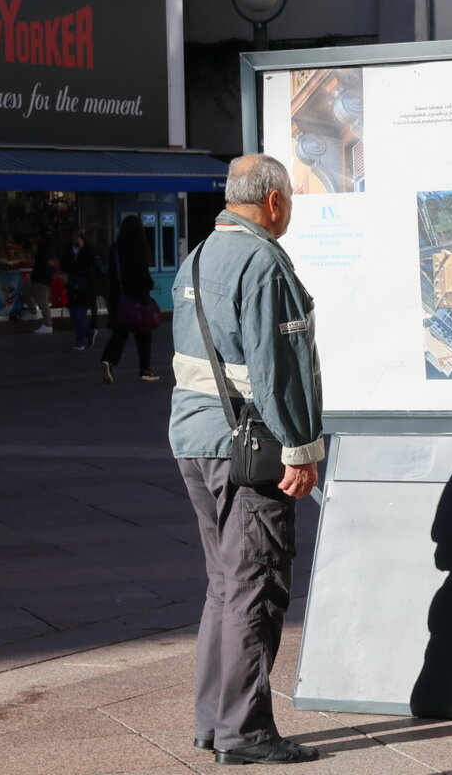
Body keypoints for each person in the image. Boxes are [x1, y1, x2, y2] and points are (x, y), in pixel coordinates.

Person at [168, 154, 323, 766]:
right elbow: (277, 370)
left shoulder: (199, 254)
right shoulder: (263, 261)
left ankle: (214, 723)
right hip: (249, 449)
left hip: (195, 441)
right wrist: (302, 448)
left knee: (224, 587)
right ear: (275, 201)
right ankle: (246, 732)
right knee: (255, 589)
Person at [100, 215, 159, 382]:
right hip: (138, 297)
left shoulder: (115, 248)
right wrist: (149, 285)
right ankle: (145, 369)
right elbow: (143, 274)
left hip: (120, 298)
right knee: (144, 334)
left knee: (119, 333)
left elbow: (111, 274)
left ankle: (108, 360)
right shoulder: (141, 247)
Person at [62, 228, 102, 350]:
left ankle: (80, 341)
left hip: (85, 286)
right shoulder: (69, 249)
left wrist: (83, 248)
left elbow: (92, 261)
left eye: (76, 237)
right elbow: (66, 264)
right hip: (73, 284)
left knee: (80, 314)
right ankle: (88, 332)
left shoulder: (89, 249)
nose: (74, 239)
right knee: (74, 314)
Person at [28, 231, 55, 334]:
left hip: (41, 279)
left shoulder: (44, 249)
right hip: (40, 278)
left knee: (43, 302)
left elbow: (43, 263)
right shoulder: (48, 249)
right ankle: (32, 312)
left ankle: (48, 324)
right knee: (28, 292)